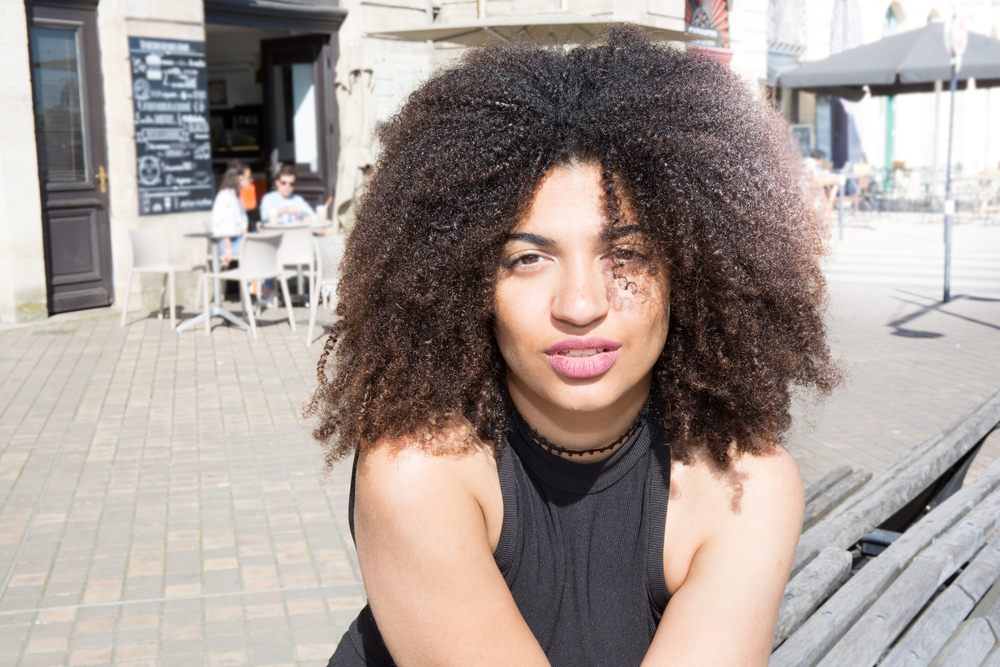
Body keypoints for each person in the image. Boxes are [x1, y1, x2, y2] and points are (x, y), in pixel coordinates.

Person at [308, 27, 840, 667]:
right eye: (528, 258)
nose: (581, 305)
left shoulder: (746, 484)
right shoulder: (416, 469)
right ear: (464, 282)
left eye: (628, 254)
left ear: (694, 271)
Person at [211, 162, 250, 268]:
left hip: (238, 240)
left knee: (262, 242)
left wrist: (247, 234)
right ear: (239, 179)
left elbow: (243, 224)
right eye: (248, 177)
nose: (251, 180)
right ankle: (257, 283)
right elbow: (225, 227)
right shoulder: (226, 196)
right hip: (226, 243)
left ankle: (256, 283)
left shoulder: (237, 197)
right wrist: (228, 250)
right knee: (260, 248)